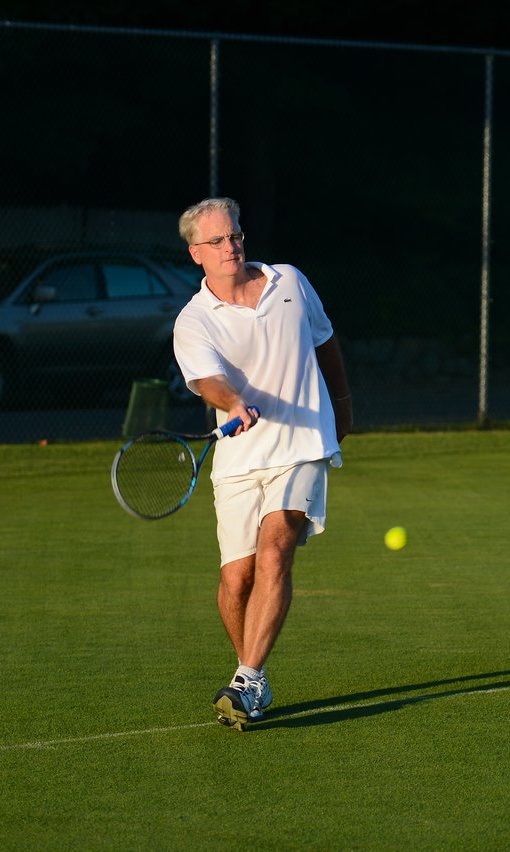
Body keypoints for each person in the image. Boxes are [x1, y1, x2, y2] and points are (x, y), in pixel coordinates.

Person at [173, 197, 352, 730]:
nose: (231, 247)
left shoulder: (291, 282)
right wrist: (231, 402)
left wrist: (342, 408)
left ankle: (247, 676)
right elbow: (207, 380)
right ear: (195, 253)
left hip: (302, 446)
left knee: (275, 554)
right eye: (217, 241)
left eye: (235, 236)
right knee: (237, 580)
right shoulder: (193, 321)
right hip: (238, 459)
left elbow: (326, 344)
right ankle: (252, 674)